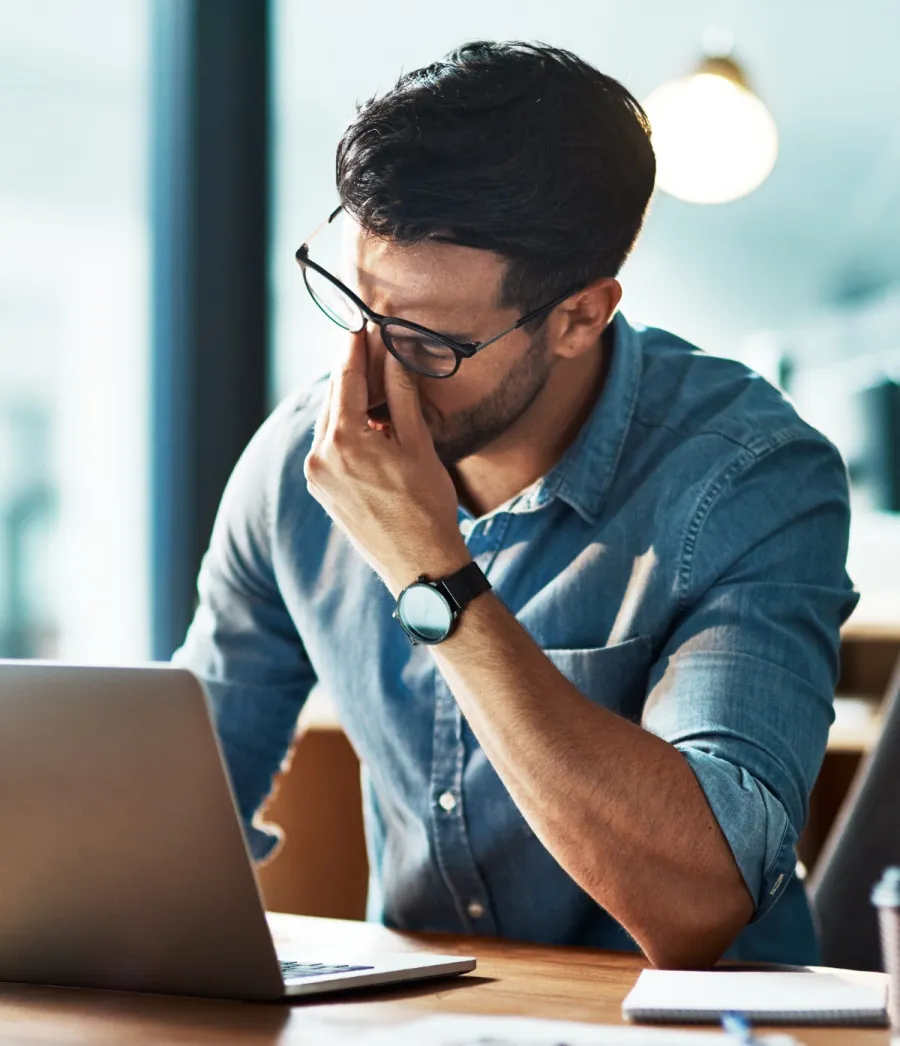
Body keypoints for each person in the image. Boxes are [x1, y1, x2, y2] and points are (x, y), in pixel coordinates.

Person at [174, 40, 858, 968]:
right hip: (418, 1024)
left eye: (424, 339)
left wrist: (433, 577)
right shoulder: (302, 461)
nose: (369, 371)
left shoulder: (751, 476)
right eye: (353, 303)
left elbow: (701, 902)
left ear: (580, 315)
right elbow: (180, 804)